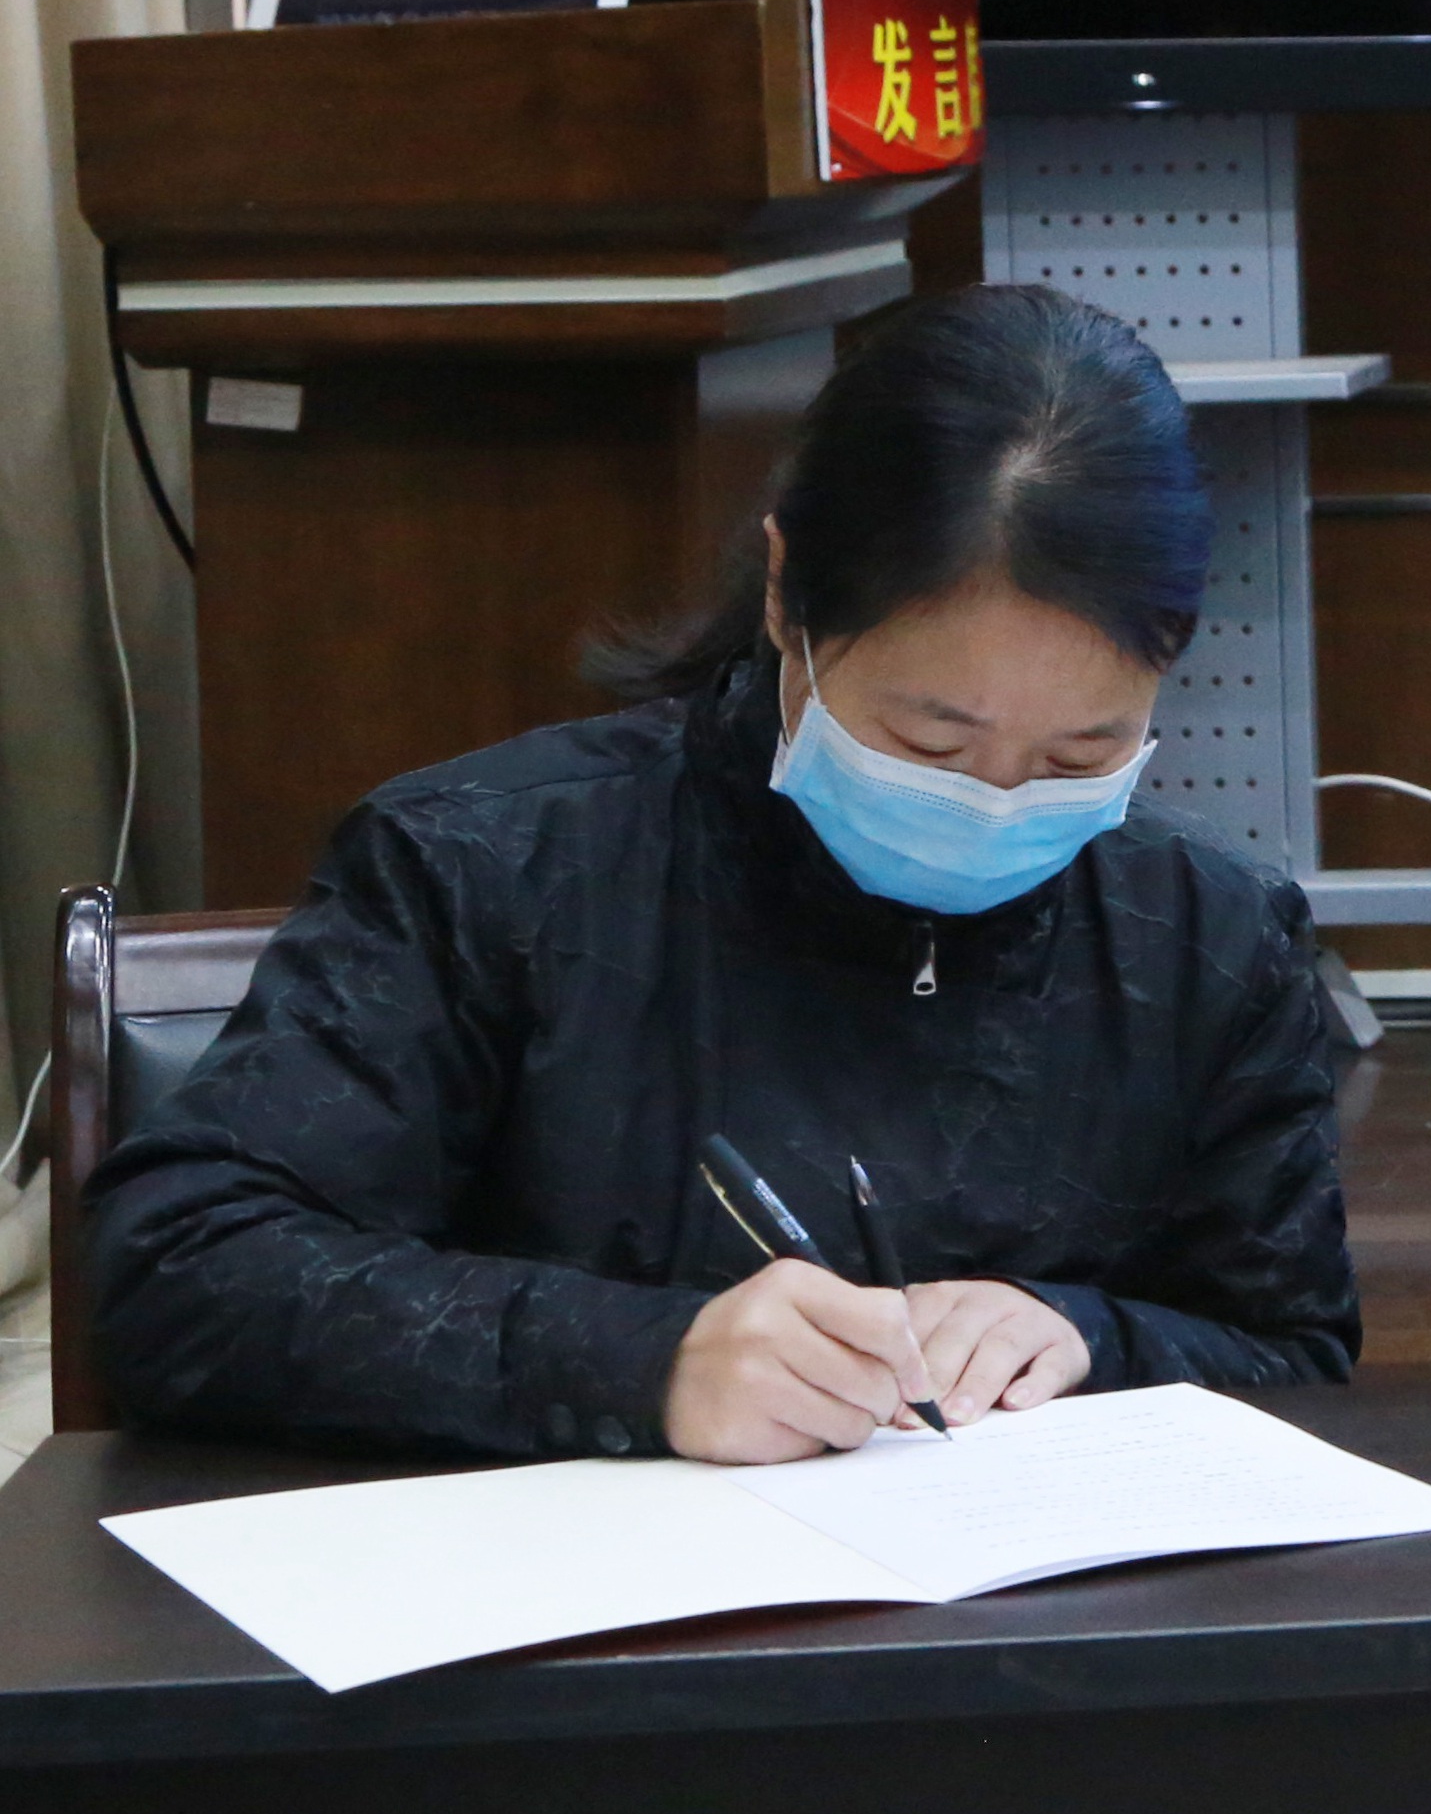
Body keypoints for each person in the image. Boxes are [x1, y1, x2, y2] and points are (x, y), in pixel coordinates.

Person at [90, 285, 1358, 1459]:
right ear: (785, 596)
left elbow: (1294, 1350)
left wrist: (1091, 1337)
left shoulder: (1204, 932)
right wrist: (641, 1361)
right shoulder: (493, 870)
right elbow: (178, 1272)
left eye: (1082, 752)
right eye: (929, 742)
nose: (993, 801)